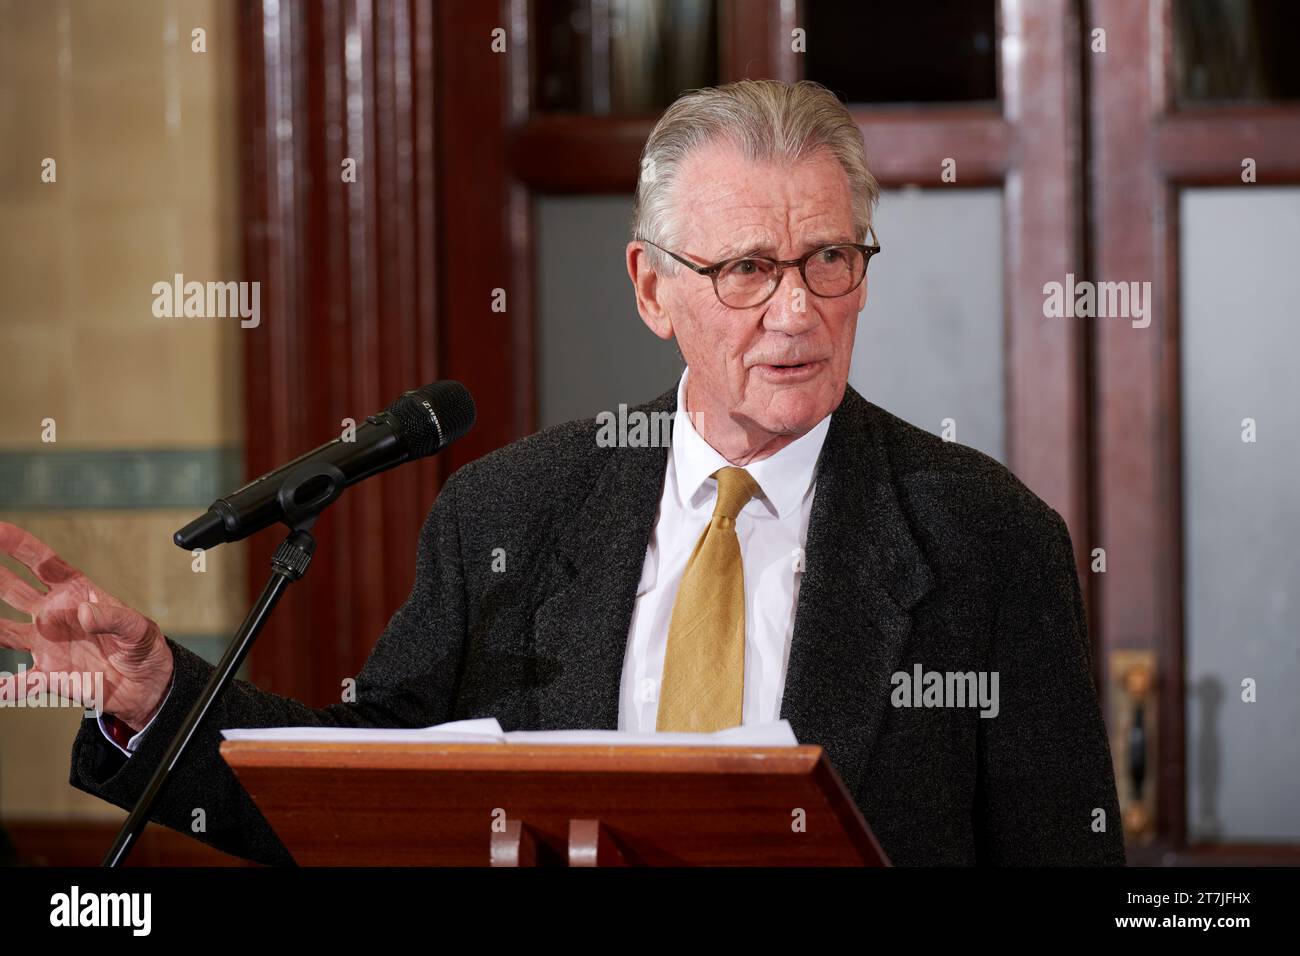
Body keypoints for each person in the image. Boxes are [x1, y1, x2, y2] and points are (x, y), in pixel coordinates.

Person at [0, 80, 1123, 866]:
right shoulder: (512, 507)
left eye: (828, 259)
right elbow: (365, 802)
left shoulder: (985, 537)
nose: (796, 311)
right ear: (650, 287)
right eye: (744, 269)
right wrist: (160, 699)